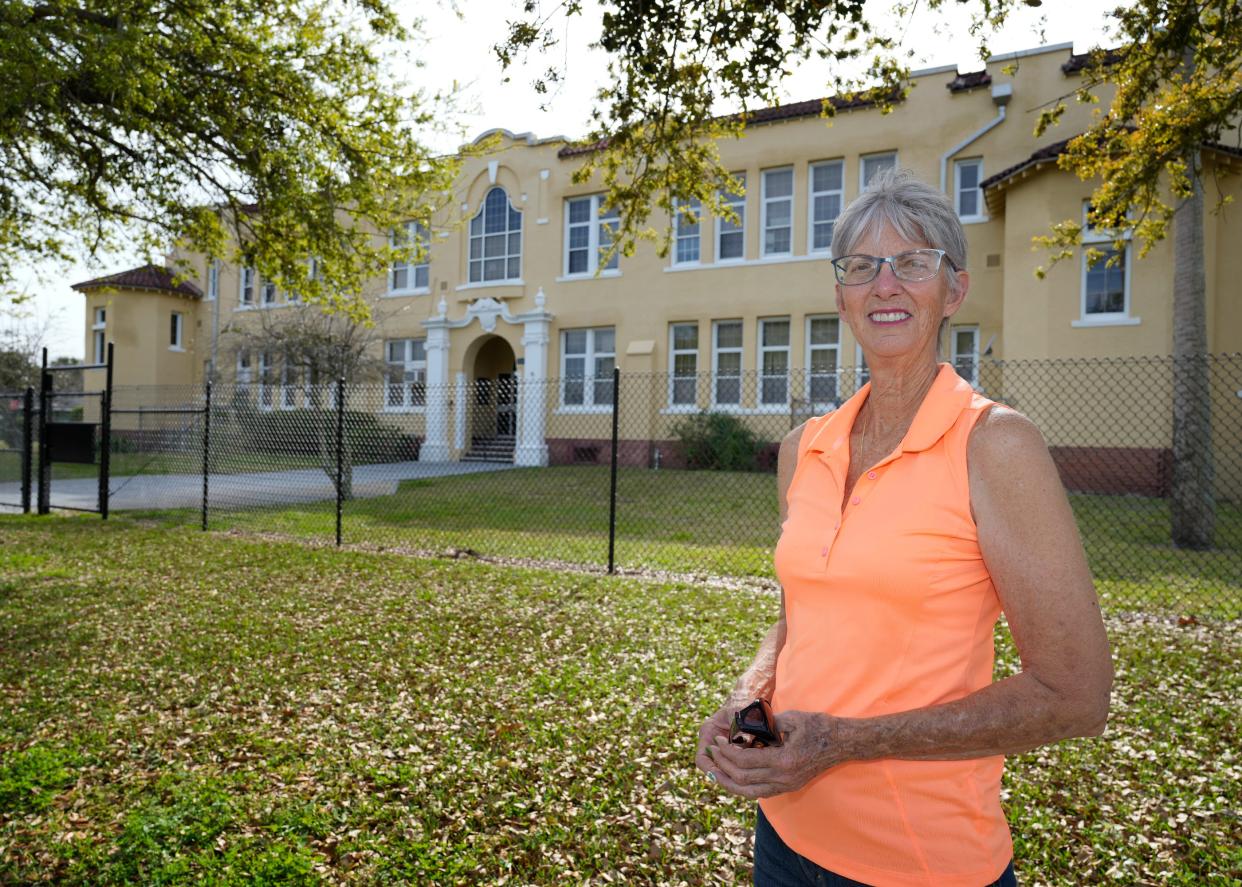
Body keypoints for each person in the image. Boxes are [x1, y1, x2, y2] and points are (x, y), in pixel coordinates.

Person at [695, 170, 1113, 887]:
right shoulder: (805, 446)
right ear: (841, 296)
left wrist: (848, 742)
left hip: (919, 859)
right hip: (785, 834)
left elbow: (1075, 694)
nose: (885, 284)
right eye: (862, 267)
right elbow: (803, 613)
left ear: (953, 291)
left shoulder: (994, 444)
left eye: (913, 262)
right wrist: (750, 690)